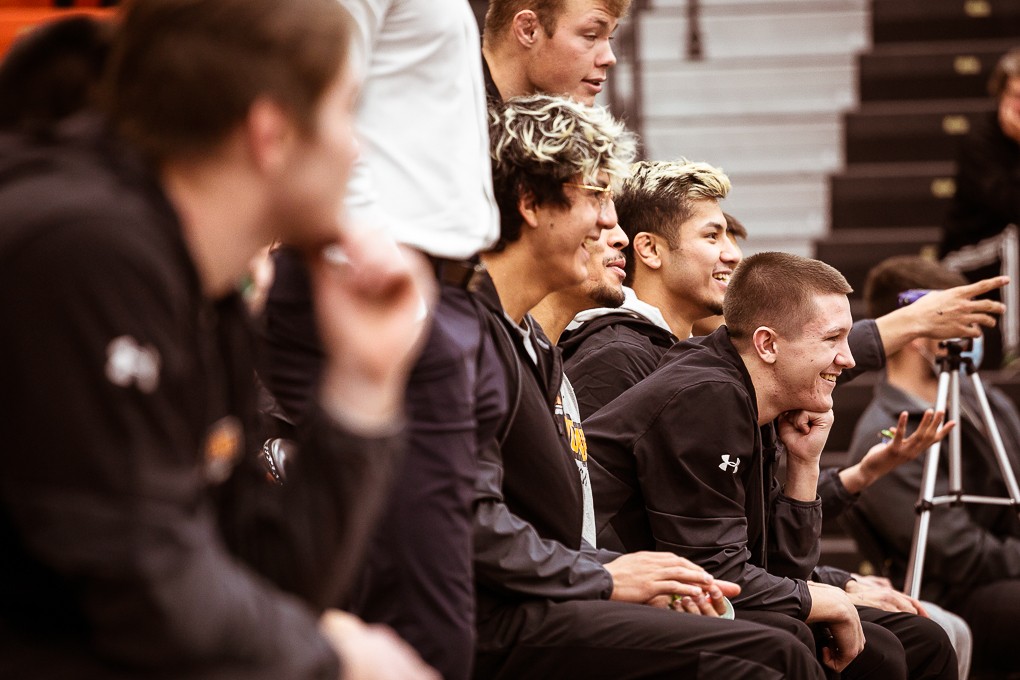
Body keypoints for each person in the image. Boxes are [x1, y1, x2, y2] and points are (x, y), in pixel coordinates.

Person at [0, 0, 437, 678]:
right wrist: (334, 659)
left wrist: (364, 383)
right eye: (347, 110)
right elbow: (142, 584)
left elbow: (262, 571)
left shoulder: (205, 286)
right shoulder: (86, 249)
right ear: (272, 133)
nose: (357, 147)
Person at [472, 93, 827, 680]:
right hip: (490, 621)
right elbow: (471, 524)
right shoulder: (467, 336)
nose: (611, 224)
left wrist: (637, 574)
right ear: (530, 203)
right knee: (775, 653)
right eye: (594, 199)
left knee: (779, 642)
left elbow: (556, 530)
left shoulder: (534, 345)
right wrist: (608, 576)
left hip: (544, 594)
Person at [260, 2, 503, 678]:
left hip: (430, 289)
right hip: (381, 289)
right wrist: (358, 252)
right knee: (423, 634)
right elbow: (310, 91)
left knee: (427, 621)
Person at [585, 252, 959, 678]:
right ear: (767, 344)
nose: (848, 359)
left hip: (693, 593)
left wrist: (805, 464)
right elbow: (717, 572)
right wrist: (826, 597)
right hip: (600, 595)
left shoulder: (759, 397)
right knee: (848, 646)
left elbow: (778, 568)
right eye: (832, 339)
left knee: (922, 640)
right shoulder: (706, 395)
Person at [846, 255, 1020, 675]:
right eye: (957, 317)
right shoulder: (884, 435)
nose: (973, 332)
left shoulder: (979, 397)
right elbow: (960, 555)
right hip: (954, 593)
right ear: (915, 329)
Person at [481, 0, 629, 106]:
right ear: (528, 30)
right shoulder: (461, 123)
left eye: (610, 37)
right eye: (591, 35)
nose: (610, 59)